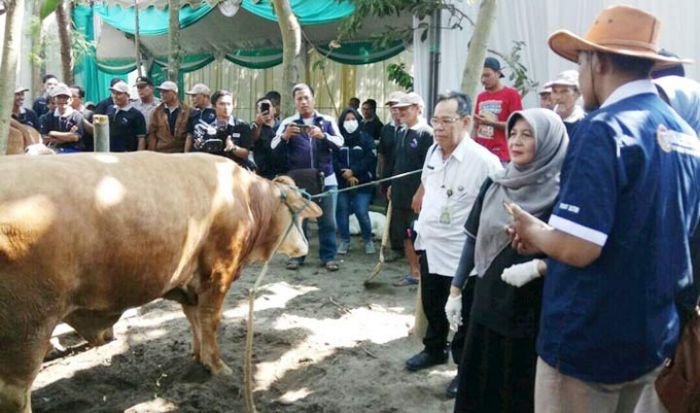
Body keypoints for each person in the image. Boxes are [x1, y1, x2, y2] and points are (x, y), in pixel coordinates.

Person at [508, 5, 700, 412]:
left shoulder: (604, 128)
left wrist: (534, 230)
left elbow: (580, 247)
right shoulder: (687, 136)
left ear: (597, 61)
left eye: (579, 64)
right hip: (650, 337)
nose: (579, 77)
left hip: (589, 340)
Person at [450, 108, 568, 412]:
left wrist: (538, 267)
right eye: (513, 133)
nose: (516, 141)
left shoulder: (562, 195)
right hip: (487, 300)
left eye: (527, 135)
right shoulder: (495, 183)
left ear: (549, 142)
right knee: (479, 387)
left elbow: (571, 253)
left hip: (529, 313)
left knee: (515, 392)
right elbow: (473, 238)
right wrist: (456, 289)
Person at [404, 92, 502, 397]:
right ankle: (434, 349)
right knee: (433, 305)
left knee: (465, 316)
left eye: (447, 120)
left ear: (466, 122)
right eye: (436, 120)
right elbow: (428, 184)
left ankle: (465, 369)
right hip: (431, 246)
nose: (439, 127)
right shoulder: (433, 152)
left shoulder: (485, 162)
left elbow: (497, 208)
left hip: (464, 255)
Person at [271, 83, 343, 271]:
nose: (303, 102)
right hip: (298, 183)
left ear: (313, 98)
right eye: (299, 99)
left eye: (306, 98)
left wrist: (323, 136)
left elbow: (340, 144)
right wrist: (285, 136)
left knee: (327, 221)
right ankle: (297, 256)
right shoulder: (288, 123)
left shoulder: (326, 121)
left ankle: (329, 257)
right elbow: (273, 149)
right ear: (294, 102)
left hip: (326, 180)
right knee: (298, 221)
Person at [384, 92, 433, 286]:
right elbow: (397, 163)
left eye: (406, 108)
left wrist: (421, 192)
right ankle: (414, 272)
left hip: (418, 196)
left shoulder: (426, 134)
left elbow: (430, 168)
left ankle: (424, 273)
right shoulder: (402, 132)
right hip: (400, 193)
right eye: (399, 108)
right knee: (405, 233)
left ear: (418, 108)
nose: (401, 111)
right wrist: (391, 185)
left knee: (418, 234)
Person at [334, 107, 378, 255]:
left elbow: (370, 158)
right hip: (342, 182)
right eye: (347, 120)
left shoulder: (366, 139)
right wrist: (345, 174)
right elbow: (333, 159)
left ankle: (368, 240)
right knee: (342, 211)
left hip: (363, 182)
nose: (350, 122)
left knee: (361, 211)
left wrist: (354, 171)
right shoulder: (337, 139)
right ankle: (345, 241)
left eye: (353, 119)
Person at [473, 57, 523, 163]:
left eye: (487, 75)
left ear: (498, 74)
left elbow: (517, 126)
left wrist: (492, 123)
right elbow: (476, 127)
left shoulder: (511, 94)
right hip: (481, 155)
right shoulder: (480, 97)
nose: (483, 80)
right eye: (481, 76)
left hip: (502, 155)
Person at [191, 90, 253, 169]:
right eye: (222, 104)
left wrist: (233, 148)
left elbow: (246, 153)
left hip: (236, 170)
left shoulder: (242, 126)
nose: (226, 107)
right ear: (214, 106)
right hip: (213, 169)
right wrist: (199, 145)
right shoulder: (205, 127)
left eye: (229, 104)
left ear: (233, 106)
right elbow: (199, 152)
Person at [144, 81, 192, 153]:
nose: (162, 94)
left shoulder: (188, 111)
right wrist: (152, 154)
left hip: (181, 153)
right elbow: (152, 135)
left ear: (175, 93)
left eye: (165, 92)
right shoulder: (156, 112)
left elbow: (190, 135)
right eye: (161, 92)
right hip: (162, 153)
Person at [39, 83, 85, 153]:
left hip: (74, 152)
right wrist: (68, 136)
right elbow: (45, 138)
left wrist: (53, 133)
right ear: (54, 99)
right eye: (59, 97)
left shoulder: (77, 116)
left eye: (66, 97)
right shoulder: (45, 118)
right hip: (52, 151)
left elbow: (75, 137)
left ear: (71, 100)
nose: (62, 100)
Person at [106, 81, 146, 152]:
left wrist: (138, 157)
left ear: (127, 95)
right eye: (113, 93)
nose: (115, 96)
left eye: (119, 93)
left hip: (128, 155)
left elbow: (141, 138)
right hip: (110, 154)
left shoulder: (136, 114)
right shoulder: (110, 109)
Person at [251, 96, 284, 179]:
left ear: (274, 110)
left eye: (268, 106)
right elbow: (252, 139)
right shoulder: (254, 127)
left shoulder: (283, 126)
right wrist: (258, 124)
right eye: (261, 107)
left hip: (283, 172)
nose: (265, 109)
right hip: (263, 175)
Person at [377, 92, 404, 184]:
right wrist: (381, 177)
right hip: (388, 177)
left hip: (405, 179)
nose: (394, 109)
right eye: (391, 106)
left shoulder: (411, 129)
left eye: (397, 105)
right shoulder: (385, 129)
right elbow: (382, 155)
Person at [550, 70, 586, 137]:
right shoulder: (547, 119)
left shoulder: (585, 125)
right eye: (554, 91)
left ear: (578, 94)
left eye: (564, 91)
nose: (558, 97)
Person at [185, 83, 215, 152]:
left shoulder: (216, 113)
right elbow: (189, 136)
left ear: (205, 96)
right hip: (195, 155)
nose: (192, 99)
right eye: (192, 96)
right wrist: (185, 155)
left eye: (195, 96)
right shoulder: (193, 114)